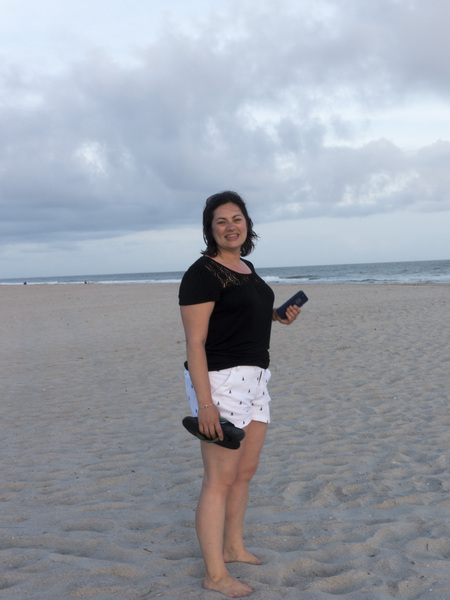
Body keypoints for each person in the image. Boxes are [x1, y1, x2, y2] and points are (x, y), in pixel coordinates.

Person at [178, 190, 301, 598]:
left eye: (237, 219)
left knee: (244, 472)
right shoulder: (203, 273)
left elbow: (241, 314)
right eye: (221, 221)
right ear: (210, 230)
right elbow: (195, 342)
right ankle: (214, 575)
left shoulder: (245, 267)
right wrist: (205, 404)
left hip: (257, 378)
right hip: (220, 381)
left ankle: (233, 547)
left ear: (247, 224)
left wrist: (277, 316)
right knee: (219, 479)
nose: (230, 227)